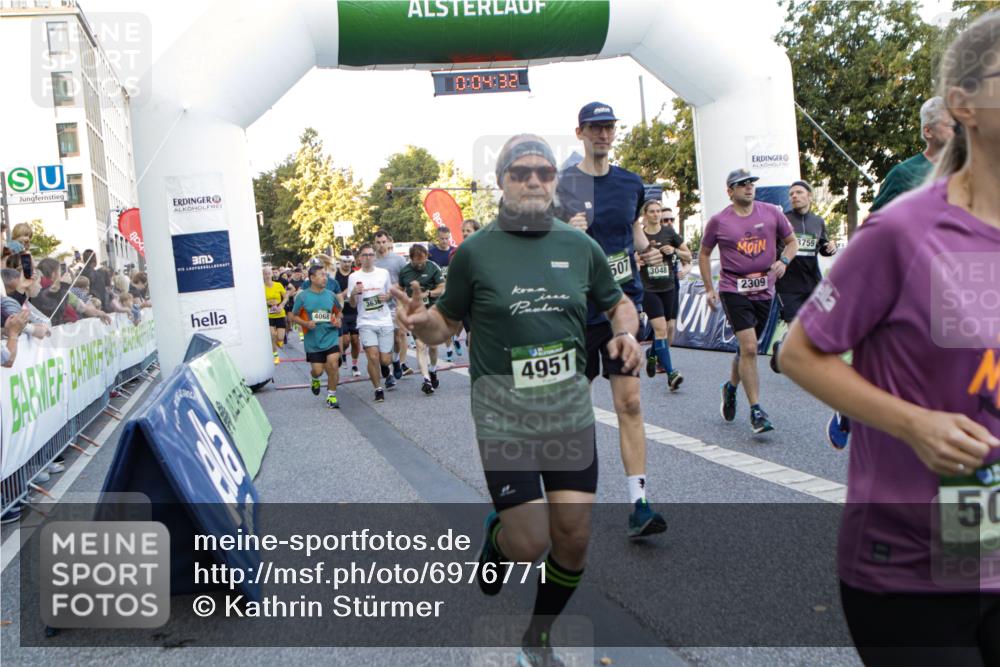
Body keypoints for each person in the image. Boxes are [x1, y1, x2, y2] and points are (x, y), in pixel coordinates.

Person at [779, 15, 1000, 664]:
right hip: (910, 566)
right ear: (964, 106)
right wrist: (913, 424)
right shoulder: (906, 232)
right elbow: (799, 350)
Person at [394, 134, 642, 666]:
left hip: (569, 412)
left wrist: (627, 331)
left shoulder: (580, 247)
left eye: (544, 172)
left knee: (572, 539)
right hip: (503, 414)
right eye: (521, 172)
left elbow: (618, 302)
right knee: (529, 542)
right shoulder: (476, 252)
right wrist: (422, 323)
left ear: (555, 181)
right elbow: (446, 323)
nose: (534, 180)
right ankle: (499, 535)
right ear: (502, 182)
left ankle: (540, 633)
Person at [557, 101, 667, 537]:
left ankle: (638, 503)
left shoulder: (630, 184)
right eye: (595, 128)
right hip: (575, 311)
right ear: (580, 132)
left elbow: (631, 232)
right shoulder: (560, 185)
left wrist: (647, 248)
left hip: (620, 306)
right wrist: (568, 230)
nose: (604, 135)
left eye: (609, 128)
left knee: (631, 402)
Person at [700, 168, 798, 434]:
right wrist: (710, 289)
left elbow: (792, 242)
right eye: (741, 184)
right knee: (751, 347)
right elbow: (704, 254)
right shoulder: (719, 221)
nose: (748, 187)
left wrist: (783, 262)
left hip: (764, 288)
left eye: (751, 183)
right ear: (730, 191)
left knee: (746, 351)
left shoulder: (771, 213)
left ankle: (730, 388)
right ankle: (756, 410)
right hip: (734, 288)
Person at [771, 180, 838, 367]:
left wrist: (829, 247)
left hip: (812, 281)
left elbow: (822, 246)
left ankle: (784, 347)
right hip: (788, 283)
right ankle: (792, 353)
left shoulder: (818, 222)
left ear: (809, 196)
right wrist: (778, 261)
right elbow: (771, 248)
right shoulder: (782, 219)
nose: (794, 196)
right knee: (794, 325)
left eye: (799, 192)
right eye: (791, 194)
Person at [637, 199, 689, 391]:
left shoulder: (669, 233)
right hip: (648, 289)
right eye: (652, 211)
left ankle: (653, 352)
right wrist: (638, 259)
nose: (656, 215)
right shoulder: (639, 235)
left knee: (669, 329)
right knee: (659, 330)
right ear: (645, 214)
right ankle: (671, 374)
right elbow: (629, 256)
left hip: (669, 287)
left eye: (658, 211)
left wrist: (674, 250)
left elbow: (688, 255)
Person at [871, 96, 954, 212]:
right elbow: (876, 226)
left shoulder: (971, 172)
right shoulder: (902, 174)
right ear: (928, 131)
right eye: (952, 125)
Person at [289, 264, 343, 409]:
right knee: (318, 371)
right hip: (313, 340)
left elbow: (338, 312)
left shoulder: (330, 295)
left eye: (325, 275)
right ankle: (314, 378)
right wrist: (305, 323)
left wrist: (338, 320)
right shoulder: (303, 296)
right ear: (312, 278)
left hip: (330, 336)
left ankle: (331, 395)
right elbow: (293, 316)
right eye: (321, 275)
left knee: (333, 365)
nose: (325, 278)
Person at [348, 243, 396, 402]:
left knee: (385, 360)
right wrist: (354, 293)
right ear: (359, 258)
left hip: (384, 320)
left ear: (374, 257)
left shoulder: (383, 273)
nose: (368, 258)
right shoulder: (354, 277)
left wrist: (388, 296)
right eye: (364, 255)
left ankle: (386, 368)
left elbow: (390, 292)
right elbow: (353, 304)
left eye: (370, 255)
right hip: (366, 322)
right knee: (372, 357)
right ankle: (378, 389)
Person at [397, 244, 445, 395]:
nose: (421, 265)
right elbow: (400, 291)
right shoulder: (405, 271)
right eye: (417, 262)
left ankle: (433, 370)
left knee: (433, 346)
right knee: (419, 345)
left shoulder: (433, 267)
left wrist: (430, 293)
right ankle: (426, 380)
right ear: (411, 259)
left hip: (432, 311)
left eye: (423, 261)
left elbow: (442, 287)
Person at [373, 231, 413, 379]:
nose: (381, 245)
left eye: (384, 242)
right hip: (377, 306)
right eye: (378, 242)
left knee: (398, 335)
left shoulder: (398, 260)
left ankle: (397, 361)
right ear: (374, 244)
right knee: (379, 338)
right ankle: (385, 366)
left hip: (396, 304)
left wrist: (395, 292)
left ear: (389, 242)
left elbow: (406, 281)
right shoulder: (372, 261)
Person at [32, 258, 111, 326]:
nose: (61, 275)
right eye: (59, 272)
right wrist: (64, 286)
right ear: (53, 274)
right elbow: (83, 308)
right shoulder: (64, 290)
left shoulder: (34, 289)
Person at [428, 225, 462, 361]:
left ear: (450, 237)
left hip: (454, 290)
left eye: (447, 238)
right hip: (440, 292)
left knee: (460, 319)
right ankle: (448, 349)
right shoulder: (432, 253)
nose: (444, 241)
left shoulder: (455, 251)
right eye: (442, 239)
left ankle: (456, 337)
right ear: (438, 238)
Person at [334, 252, 362, 377]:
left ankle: (355, 365)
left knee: (355, 340)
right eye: (344, 262)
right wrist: (345, 293)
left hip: (355, 311)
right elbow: (333, 294)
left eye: (349, 262)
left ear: (352, 262)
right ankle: (343, 353)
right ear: (340, 261)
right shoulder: (334, 274)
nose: (346, 264)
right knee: (345, 341)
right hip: (341, 313)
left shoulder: (356, 274)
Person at [263, 266, 287, 365]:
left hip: (279, 313)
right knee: (272, 335)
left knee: (280, 338)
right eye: (266, 274)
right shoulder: (260, 287)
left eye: (269, 273)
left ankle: (278, 342)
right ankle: (275, 356)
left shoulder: (278, 285)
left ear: (272, 274)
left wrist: (281, 306)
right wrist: (268, 303)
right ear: (263, 275)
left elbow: (285, 297)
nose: (268, 276)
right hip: (269, 315)